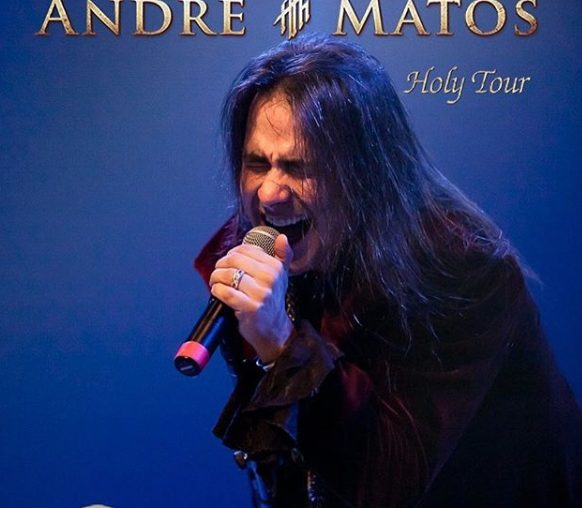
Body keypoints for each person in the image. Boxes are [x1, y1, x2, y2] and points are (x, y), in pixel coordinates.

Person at [193, 35, 582, 507]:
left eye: (299, 167)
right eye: (257, 163)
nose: (270, 193)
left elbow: (390, 486)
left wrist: (282, 345)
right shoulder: (262, 250)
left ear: (366, 174)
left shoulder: (459, 269)